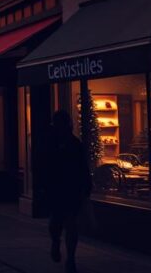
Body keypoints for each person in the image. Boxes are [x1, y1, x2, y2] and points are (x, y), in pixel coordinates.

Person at [39, 110, 91, 273]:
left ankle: (71, 258)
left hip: (70, 189)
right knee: (56, 222)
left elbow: (83, 167)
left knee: (70, 224)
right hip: (56, 189)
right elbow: (43, 166)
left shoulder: (74, 143)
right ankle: (56, 242)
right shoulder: (50, 143)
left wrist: (86, 185)